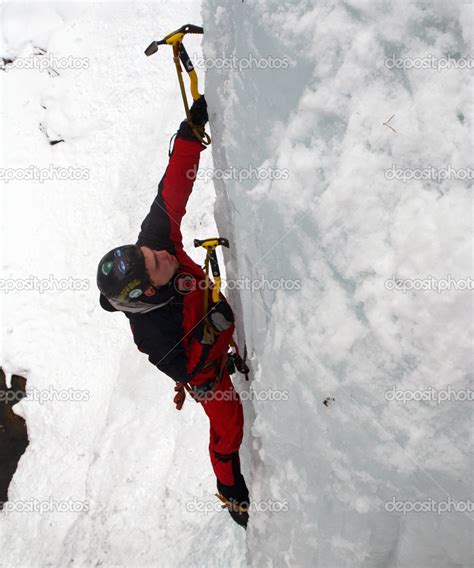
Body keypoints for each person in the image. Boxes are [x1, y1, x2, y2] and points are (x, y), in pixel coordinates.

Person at [96, 96, 250, 528]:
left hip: (206, 314)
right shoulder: (154, 336)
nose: (158, 253)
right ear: (145, 294)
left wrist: (189, 137)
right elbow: (197, 370)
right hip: (207, 370)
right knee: (229, 425)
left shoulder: (154, 244)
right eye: (152, 264)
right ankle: (231, 491)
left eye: (147, 251)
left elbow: (171, 193)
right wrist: (217, 332)